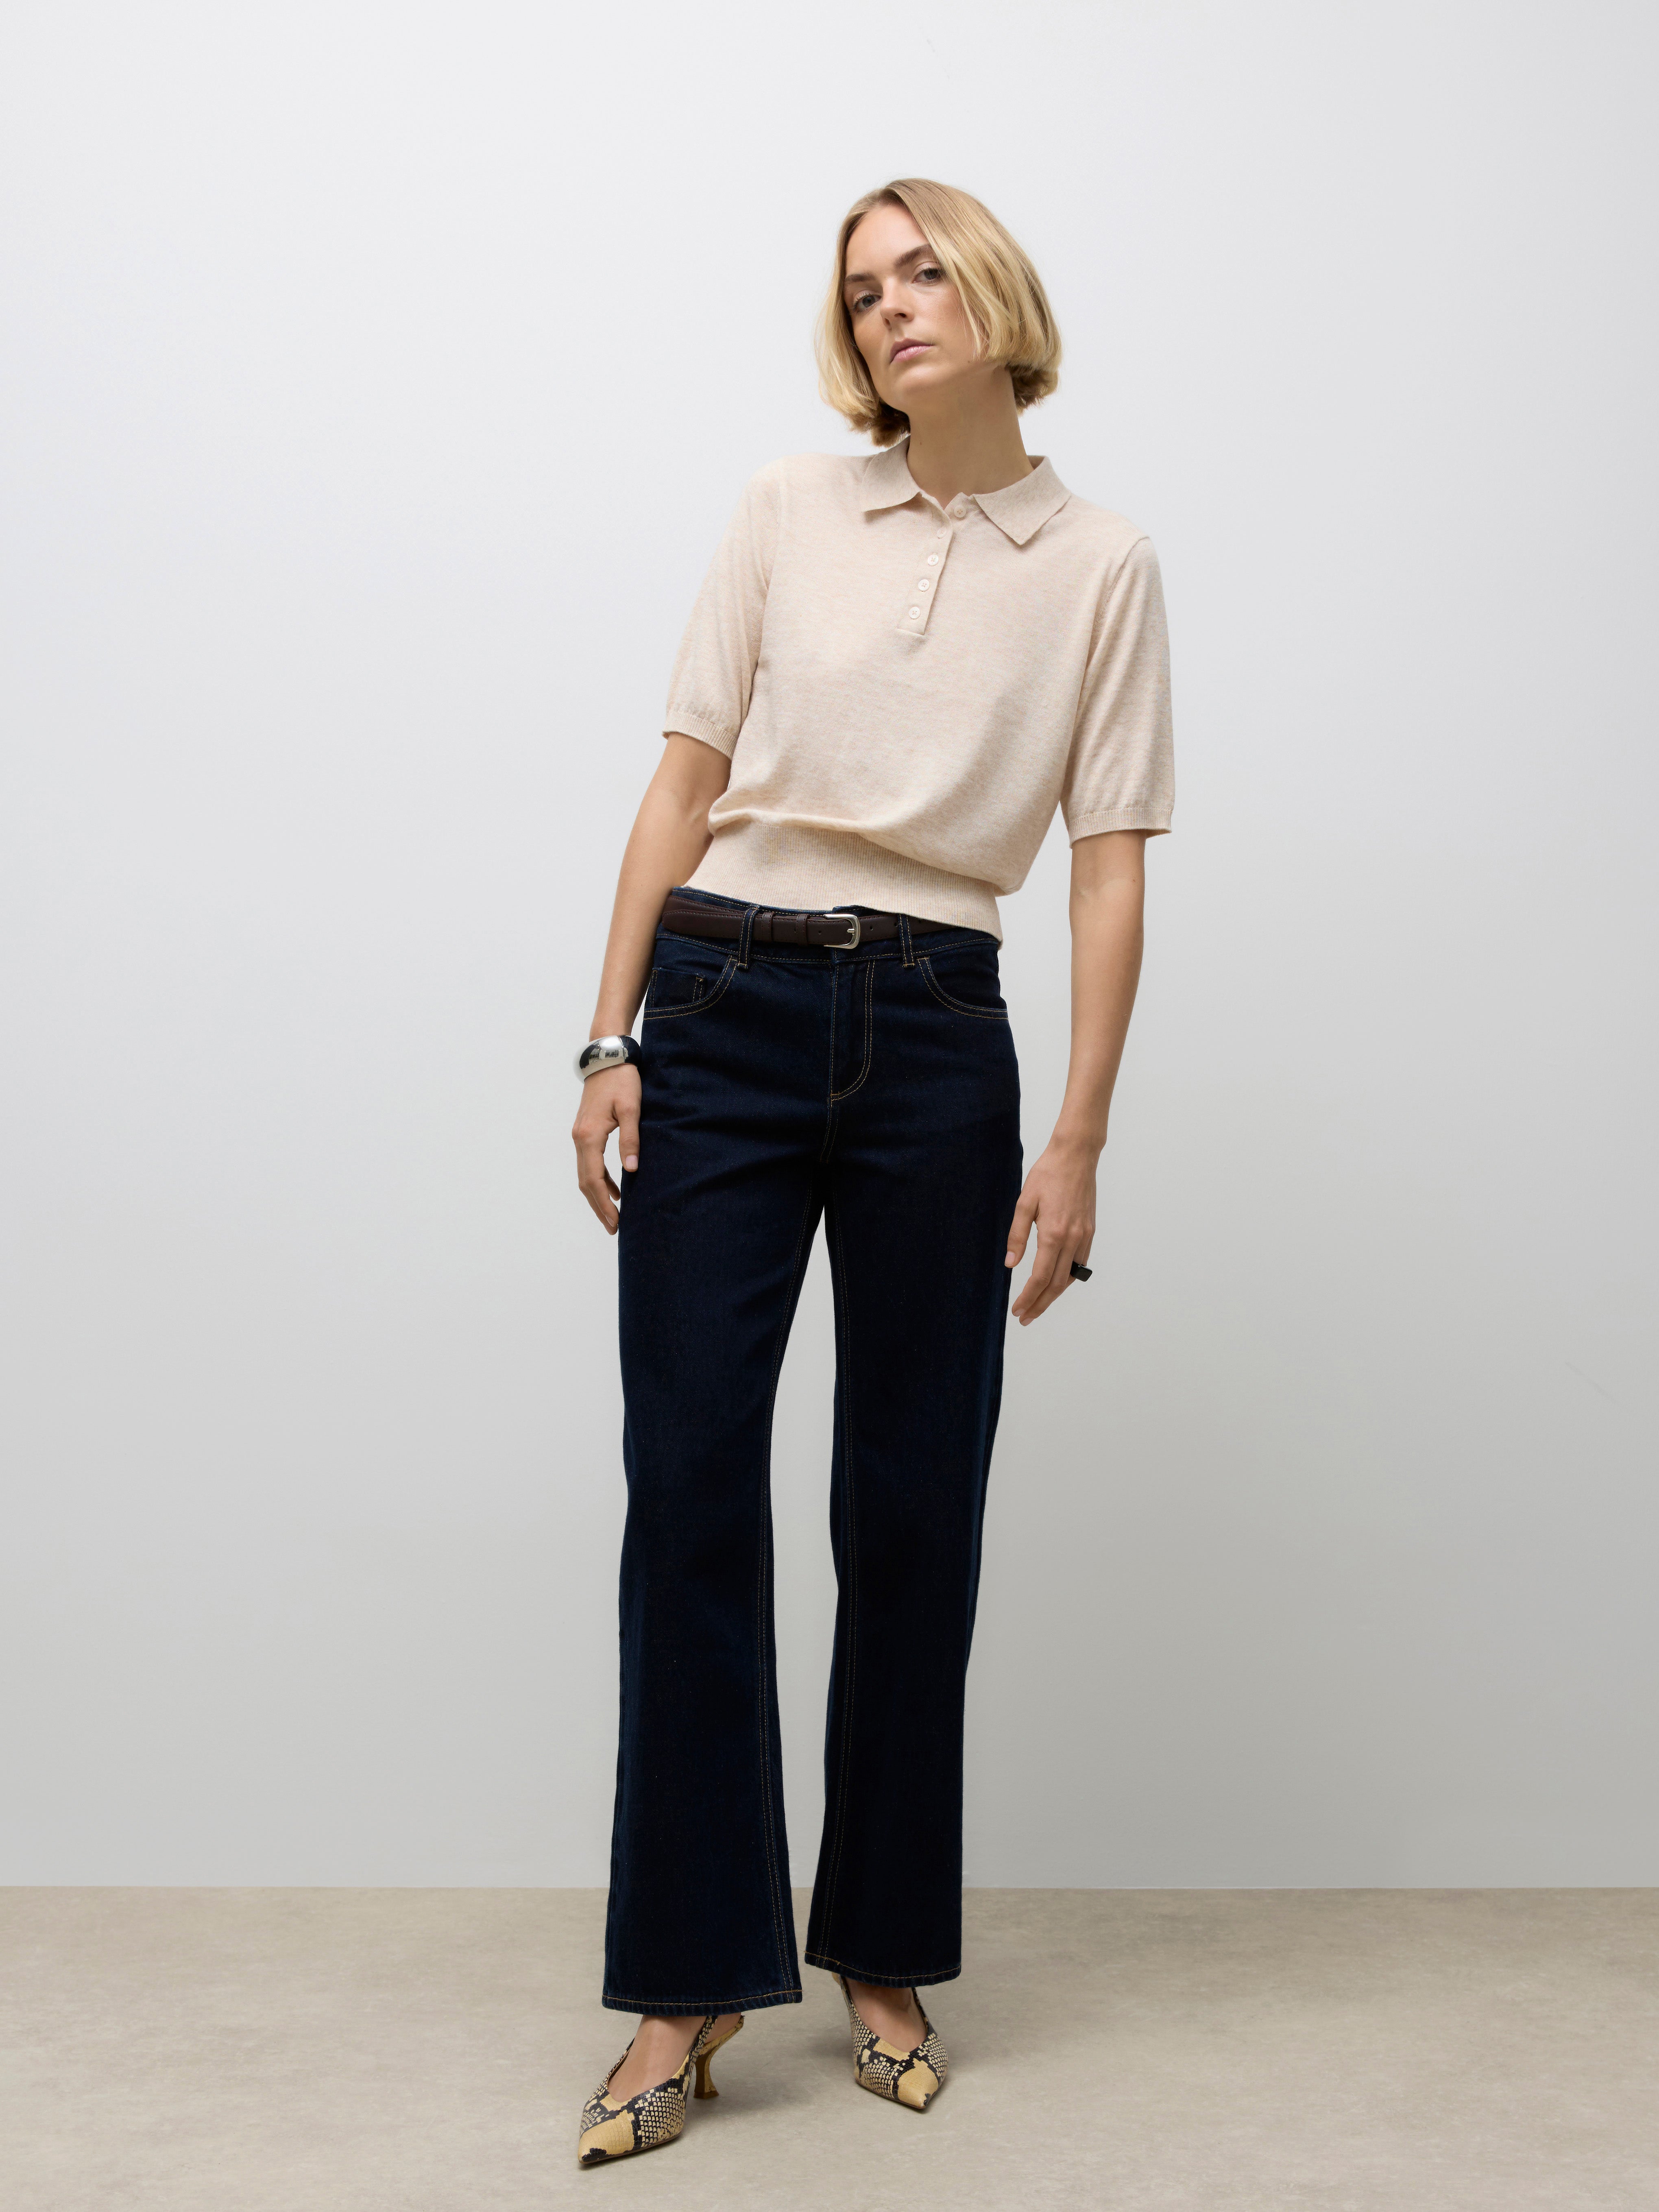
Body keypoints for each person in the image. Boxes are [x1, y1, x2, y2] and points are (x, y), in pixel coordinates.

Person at [569, 176, 1173, 2167]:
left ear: (995, 290)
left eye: (921, 272)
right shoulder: (785, 509)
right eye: (860, 292)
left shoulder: (1101, 564)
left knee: (916, 1507)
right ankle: (686, 1982)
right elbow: (683, 776)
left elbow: (1105, 867)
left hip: (936, 1032)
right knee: (688, 1490)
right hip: (725, 1001)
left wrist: (1078, 1132)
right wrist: (608, 1035)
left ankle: (886, 1950)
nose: (890, 309)